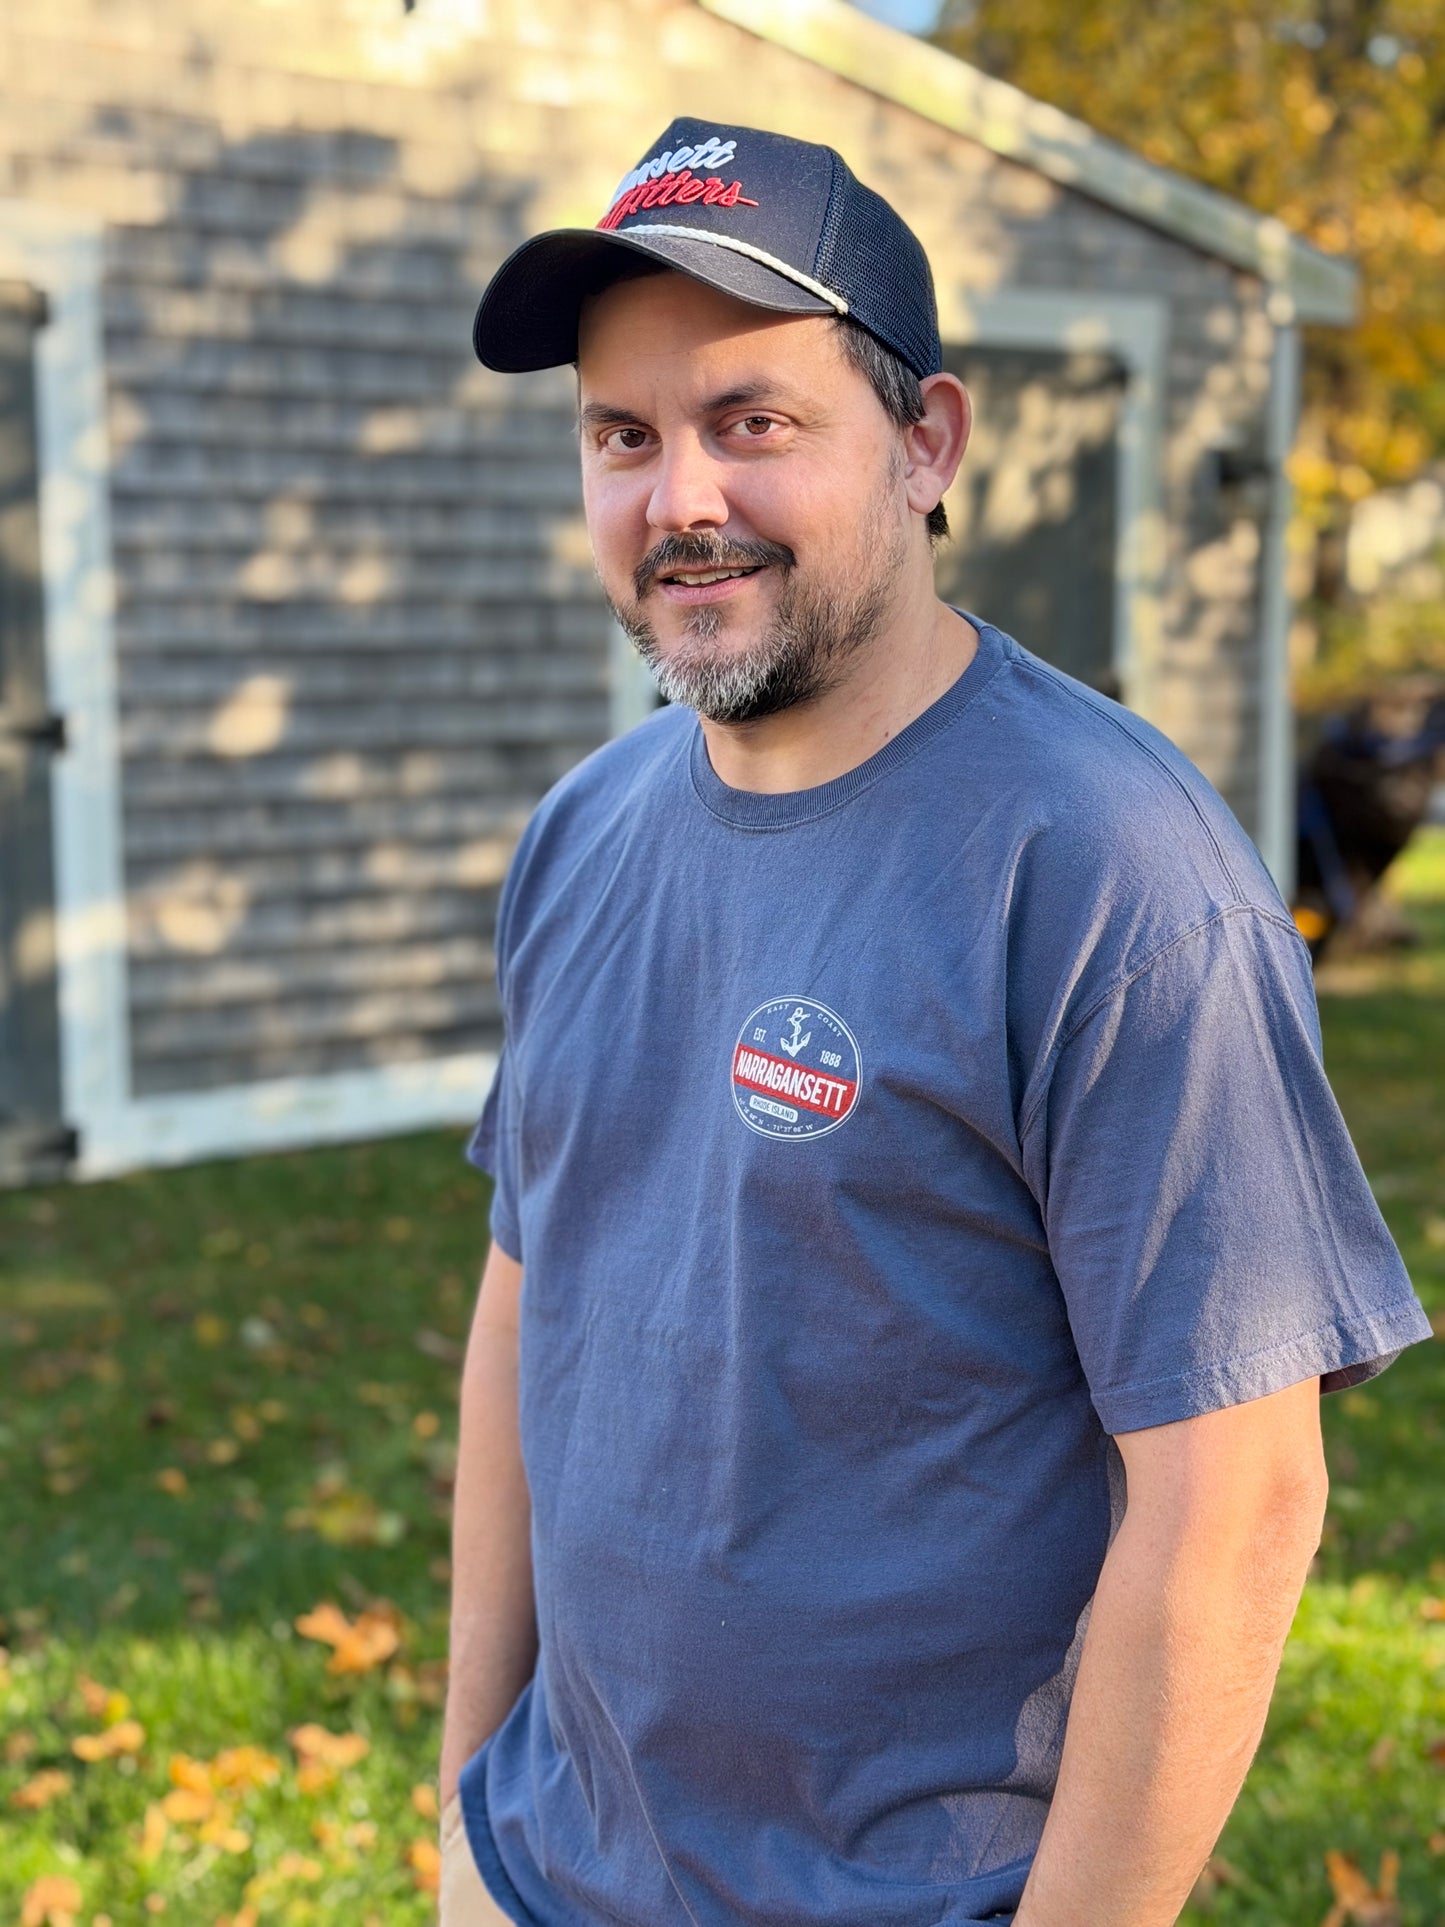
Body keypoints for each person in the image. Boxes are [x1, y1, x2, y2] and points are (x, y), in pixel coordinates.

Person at [436, 120, 1431, 1927]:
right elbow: (527, 1300)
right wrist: (466, 1810)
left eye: (751, 421)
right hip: (550, 1864)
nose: (680, 501)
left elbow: (1234, 1503)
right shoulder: (582, 832)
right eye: (622, 435)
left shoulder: (1108, 867)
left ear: (924, 444)